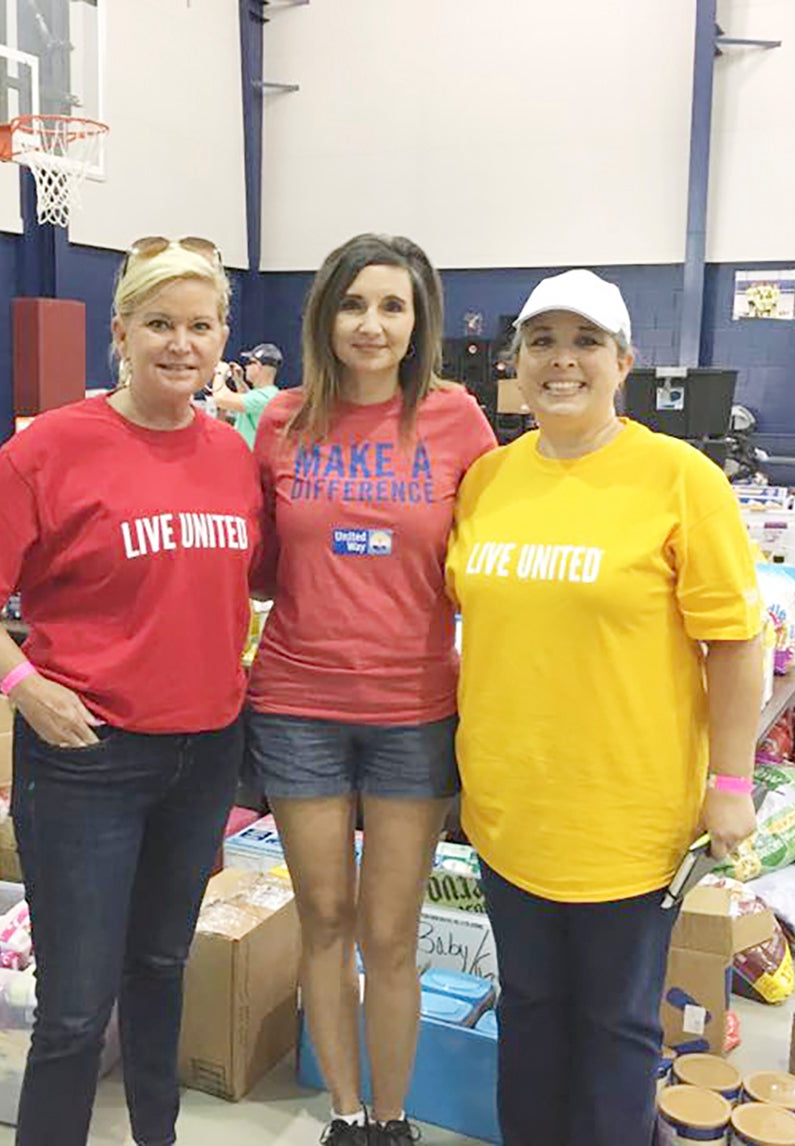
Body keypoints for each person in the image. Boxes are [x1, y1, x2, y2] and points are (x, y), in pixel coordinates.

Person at [0, 236, 262, 1146]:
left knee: (161, 964)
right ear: (121, 332)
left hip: (205, 754)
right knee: (74, 1009)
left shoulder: (231, 456)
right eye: (159, 323)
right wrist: (24, 682)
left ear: (223, 336)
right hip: (86, 761)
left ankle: (158, 1134)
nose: (180, 344)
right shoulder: (57, 447)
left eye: (200, 325)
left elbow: (247, 580)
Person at [445, 269, 764, 1146]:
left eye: (585, 343)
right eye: (542, 342)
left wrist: (729, 781)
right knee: (532, 1015)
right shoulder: (488, 481)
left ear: (623, 362)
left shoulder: (679, 480)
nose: (562, 362)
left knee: (616, 1032)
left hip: (627, 821)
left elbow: (737, 642)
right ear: (516, 365)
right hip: (511, 813)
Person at [248, 233, 497, 1146]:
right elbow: (263, 570)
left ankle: (393, 1120)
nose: (372, 324)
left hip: (414, 713)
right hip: (298, 703)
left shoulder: (458, 420)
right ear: (325, 315)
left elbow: (490, 559)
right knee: (324, 917)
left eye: (393, 306)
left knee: (390, 934)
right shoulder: (280, 421)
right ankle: (345, 1117)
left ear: (418, 321)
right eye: (355, 304)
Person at [210, 342, 284, 447]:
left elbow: (220, 399)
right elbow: (248, 401)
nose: (246, 367)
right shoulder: (268, 394)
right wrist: (238, 379)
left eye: (250, 363)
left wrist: (220, 371)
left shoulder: (265, 397)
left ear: (258, 366)